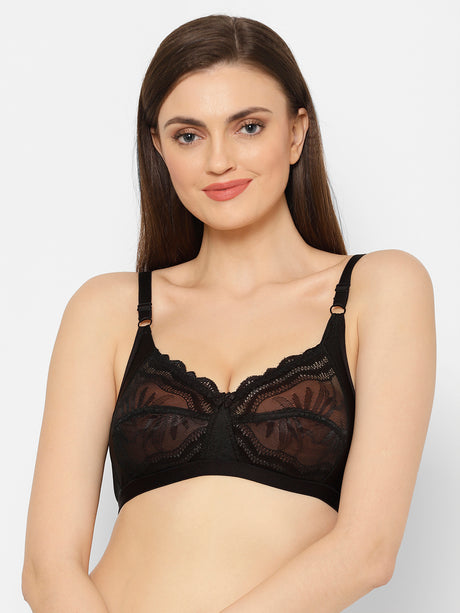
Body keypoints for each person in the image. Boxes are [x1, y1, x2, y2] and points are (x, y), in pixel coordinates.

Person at [22, 14, 436, 613]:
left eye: (248, 127)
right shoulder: (108, 309)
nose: (219, 161)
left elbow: (367, 550)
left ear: (296, 134)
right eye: (189, 135)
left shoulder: (379, 289)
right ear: (158, 148)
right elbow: (47, 570)